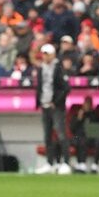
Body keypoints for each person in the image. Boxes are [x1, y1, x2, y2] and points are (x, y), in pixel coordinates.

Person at [34, 43, 72, 174]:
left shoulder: (59, 68)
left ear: (53, 55)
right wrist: (38, 102)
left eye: (47, 54)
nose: (45, 56)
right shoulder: (41, 68)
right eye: (43, 54)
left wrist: (56, 101)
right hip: (44, 105)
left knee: (61, 135)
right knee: (47, 136)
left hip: (56, 106)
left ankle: (66, 162)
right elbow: (40, 87)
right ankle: (50, 162)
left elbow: (66, 88)